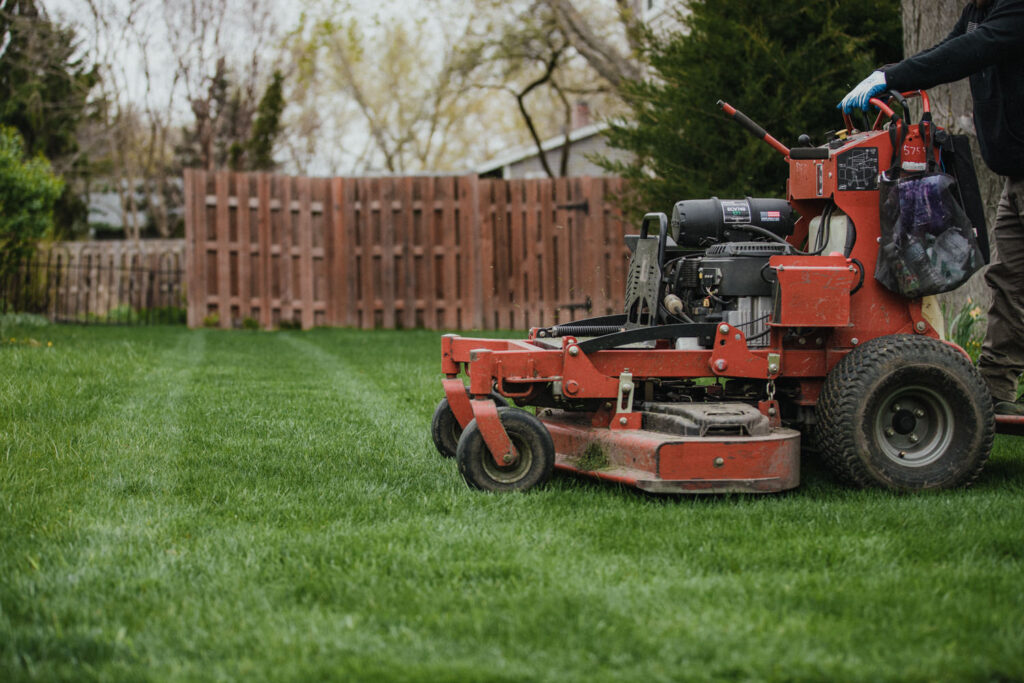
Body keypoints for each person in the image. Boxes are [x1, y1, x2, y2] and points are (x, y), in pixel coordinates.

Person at [840, 0, 1024, 416]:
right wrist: (890, 76)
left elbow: (973, 50)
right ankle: (995, 392)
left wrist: (891, 77)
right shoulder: (981, 9)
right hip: (1016, 177)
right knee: (1010, 282)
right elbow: (946, 50)